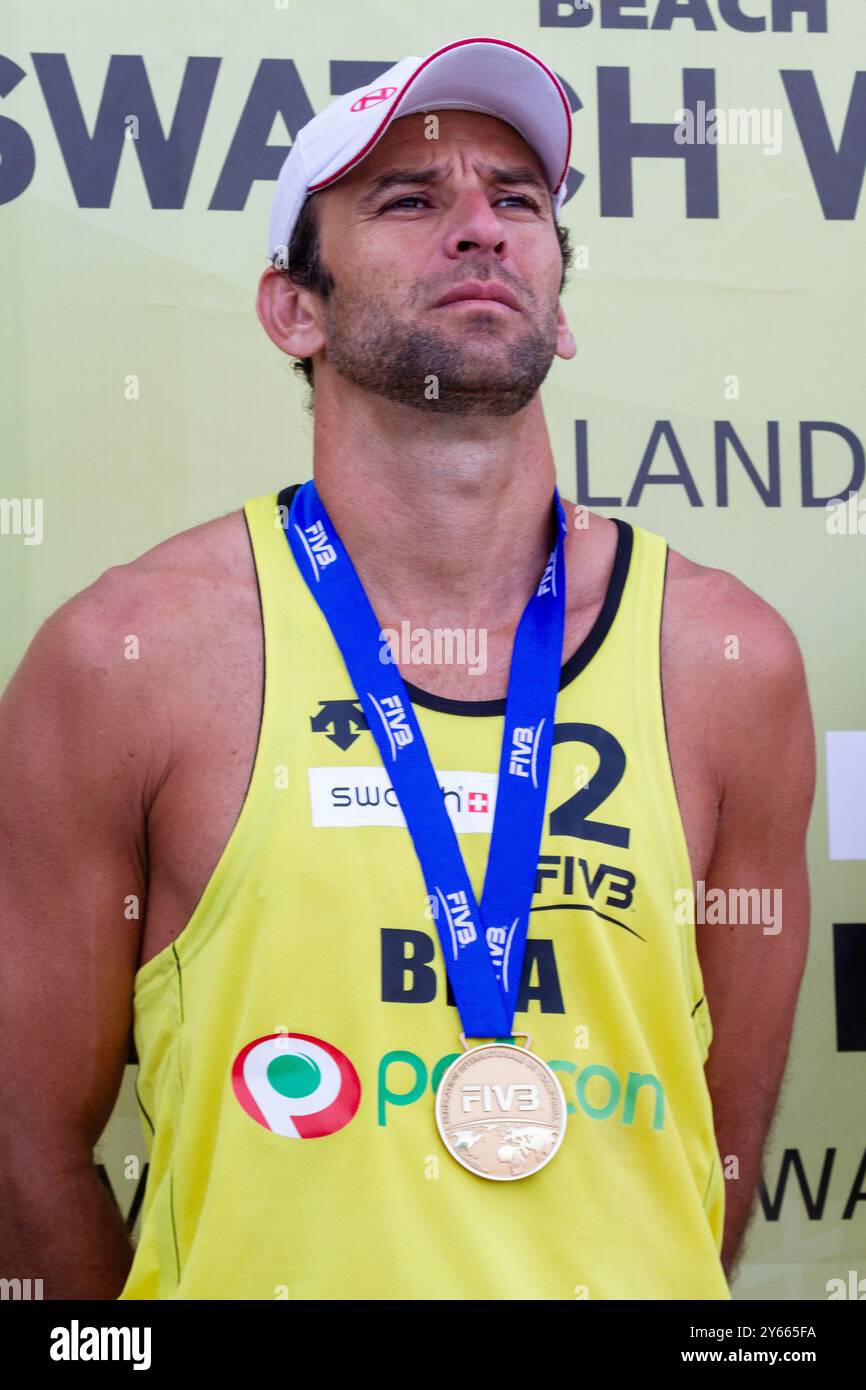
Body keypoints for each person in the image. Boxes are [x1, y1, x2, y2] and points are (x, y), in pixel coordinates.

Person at [0, 37, 814, 1300]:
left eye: (518, 200)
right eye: (409, 199)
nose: (481, 229)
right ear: (295, 307)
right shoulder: (128, 660)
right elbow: (23, 1156)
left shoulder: (727, 661)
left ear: (557, 297)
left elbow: (716, 1154)